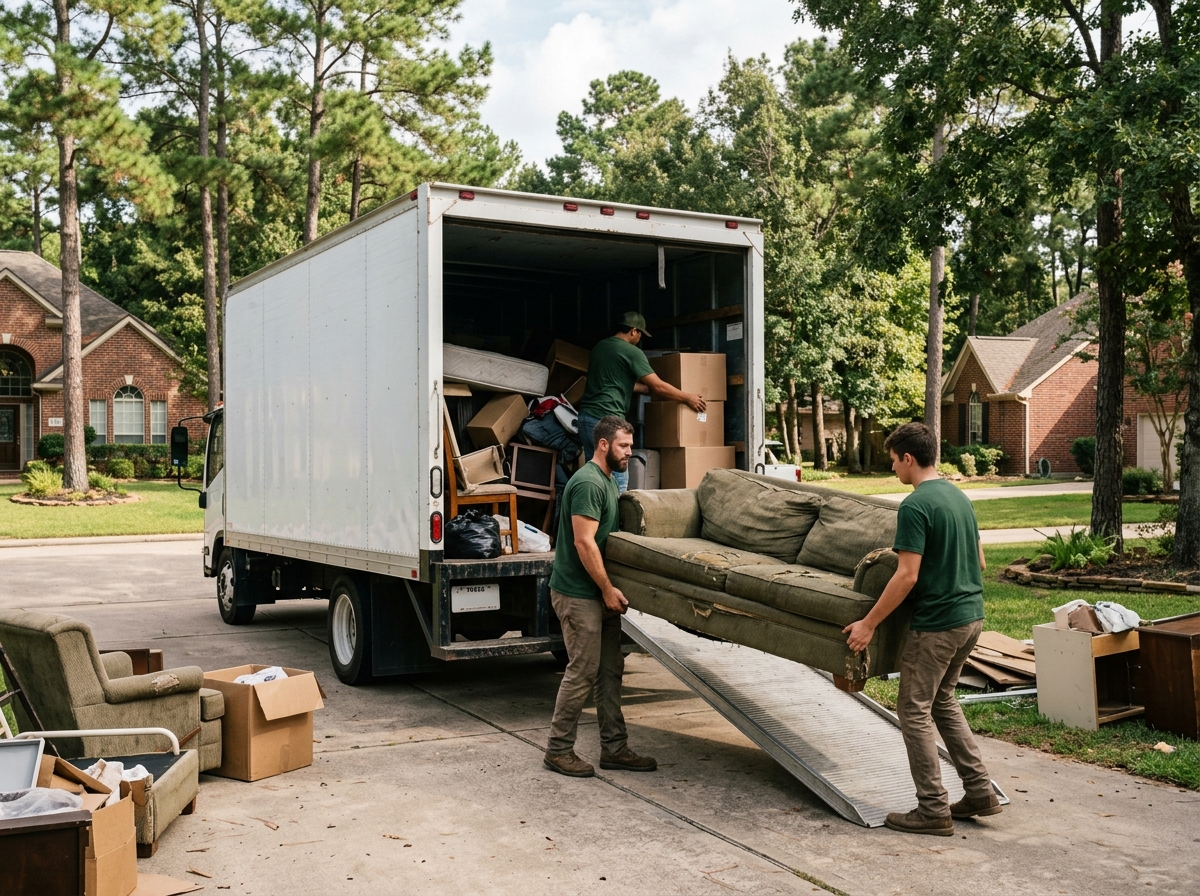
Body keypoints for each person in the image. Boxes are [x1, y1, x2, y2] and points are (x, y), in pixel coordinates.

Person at [842, 422, 1001, 836]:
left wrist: (869, 623)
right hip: (972, 617)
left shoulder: (915, 506)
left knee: (913, 711)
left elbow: (906, 576)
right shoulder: (958, 496)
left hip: (939, 625)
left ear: (908, 458)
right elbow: (981, 563)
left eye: (894, 461)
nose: (893, 468)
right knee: (942, 701)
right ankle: (980, 791)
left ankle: (932, 809)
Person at [543, 415, 657, 778]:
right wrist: (607, 589)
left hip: (599, 594)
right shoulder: (590, 483)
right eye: (623, 446)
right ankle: (558, 750)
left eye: (630, 445)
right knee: (582, 672)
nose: (630, 452)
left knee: (610, 671)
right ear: (604, 445)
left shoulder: (608, 481)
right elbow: (583, 541)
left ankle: (615, 748)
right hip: (579, 595)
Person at [575, 312, 706, 493]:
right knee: (618, 480)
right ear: (633, 331)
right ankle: (616, 521)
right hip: (607, 421)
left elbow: (617, 383)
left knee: (596, 477)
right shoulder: (631, 352)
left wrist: (649, 390)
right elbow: (658, 386)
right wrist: (687, 397)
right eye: (640, 334)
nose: (640, 339)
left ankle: (595, 518)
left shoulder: (600, 347)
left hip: (585, 418)